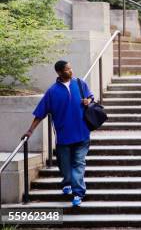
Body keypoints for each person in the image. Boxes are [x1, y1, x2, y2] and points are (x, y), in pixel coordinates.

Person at [23, 60, 94, 207]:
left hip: (82, 133)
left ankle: (78, 193)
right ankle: (67, 182)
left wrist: (88, 100)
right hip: (63, 136)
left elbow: (91, 98)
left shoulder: (80, 83)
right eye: (67, 69)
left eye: (71, 68)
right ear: (59, 72)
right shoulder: (52, 91)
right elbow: (40, 113)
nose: (71, 71)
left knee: (78, 164)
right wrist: (30, 130)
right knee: (65, 167)